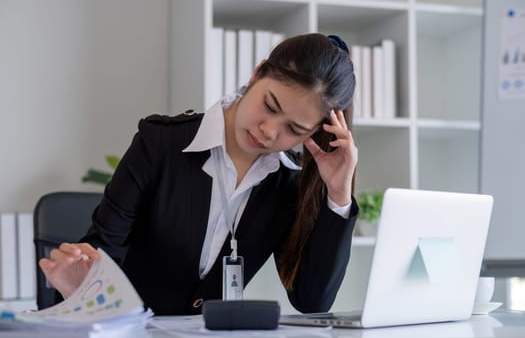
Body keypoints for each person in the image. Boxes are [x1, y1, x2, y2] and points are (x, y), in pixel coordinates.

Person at [39, 33, 359, 315]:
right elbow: (98, 259)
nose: (269, 131)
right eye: (270, 105)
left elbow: (312, 301)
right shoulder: (161, 143)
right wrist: (76, 283)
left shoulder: (287, 183)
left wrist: (338, 195)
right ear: (257, 74)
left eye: (294, 129)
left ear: (315, 133)